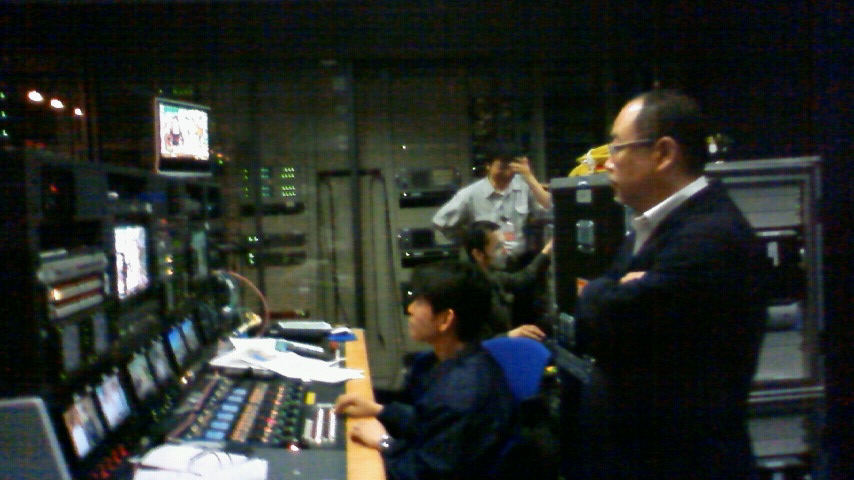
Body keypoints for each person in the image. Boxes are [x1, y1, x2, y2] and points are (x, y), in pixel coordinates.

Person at [570, 89, 768, 479]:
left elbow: (600, 318)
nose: (608, 163)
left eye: (617, 147)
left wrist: (599, 294)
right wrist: (612, 291)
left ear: (663, 153)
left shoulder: (708, 239)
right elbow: (600, 309)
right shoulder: (655, 226)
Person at [334, 260, 517, 480]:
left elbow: (422, 473)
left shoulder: (460, 393)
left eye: (420, 302)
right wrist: (380, 410)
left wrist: (384, 442)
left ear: (445, 319)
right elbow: (426, 421)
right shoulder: (451, 362)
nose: (410, 309)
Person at [432, 141, 551, 262]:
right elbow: (440, 221)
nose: (508, 172)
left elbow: (551, 210)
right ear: (488, 165)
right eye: (502, 167)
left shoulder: (523, 187)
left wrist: (529, 176)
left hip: (518, 260)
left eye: (512, 167)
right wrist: (469, 239)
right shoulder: (471, 193)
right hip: (486, 264)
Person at [463, 220, 550, 340]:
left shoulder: (493, 277)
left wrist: (546, 251)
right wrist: (510, 335)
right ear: (478, 254)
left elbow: (523, 278)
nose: (505, 251)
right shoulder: (469, 291)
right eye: (498, 247)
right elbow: (474, 343)